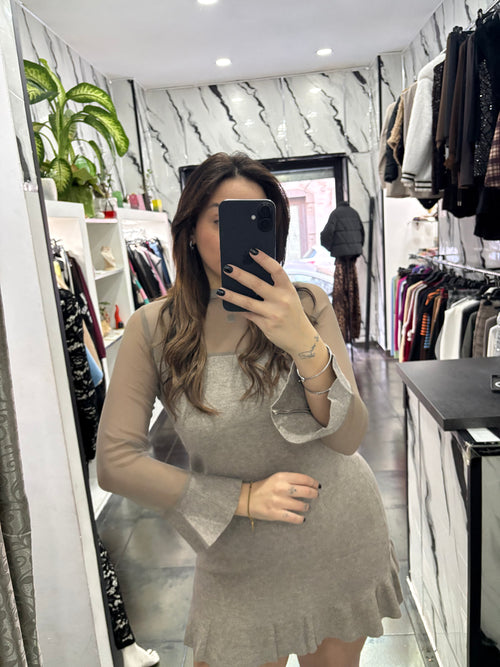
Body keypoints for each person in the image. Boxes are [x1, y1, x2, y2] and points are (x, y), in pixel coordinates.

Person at [96, 152, 403, 667]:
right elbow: (115, 464)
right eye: (220, 219)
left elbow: (347, 438)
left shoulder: (308, 305)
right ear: (190, 231)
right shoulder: (154, 328)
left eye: (258, 218)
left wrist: (303, 342)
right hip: (235, 553)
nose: (237, 233)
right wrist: (243, 498)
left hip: (338, 533)